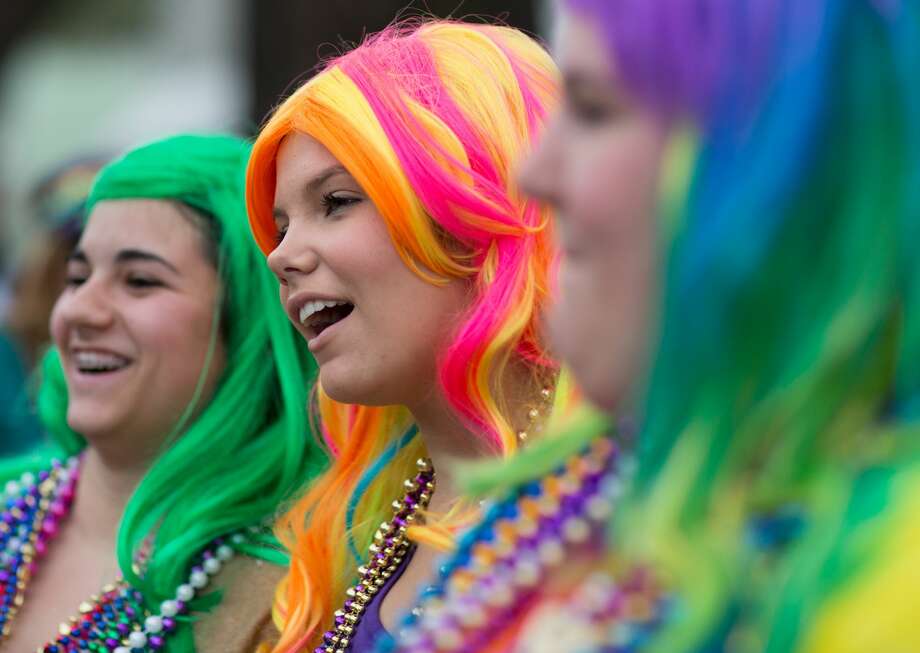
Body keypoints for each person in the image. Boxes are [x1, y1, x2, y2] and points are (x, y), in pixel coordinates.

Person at [376, 1, 920, 651]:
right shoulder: (588, 502)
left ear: (791, 156)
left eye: (595, 107)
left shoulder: (882, 578)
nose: (534, 173)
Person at [245, 20, 562, 652]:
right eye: (280, 227)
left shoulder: (635, 509)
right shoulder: (350, 542)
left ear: (476, 209)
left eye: (335, 202)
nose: (281, 256)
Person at [0, 134, 325, 653]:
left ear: (245, 323)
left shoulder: (304, 586)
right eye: (78, 276)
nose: (82, 310)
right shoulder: (10, 502)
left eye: (139, 281)